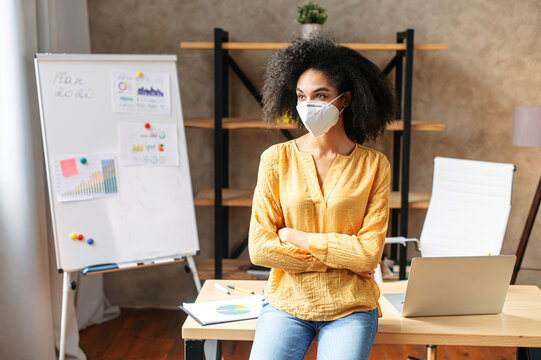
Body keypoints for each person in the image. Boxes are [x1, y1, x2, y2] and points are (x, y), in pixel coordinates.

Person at [247, 35, 395, 360]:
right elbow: (260, 249)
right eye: (301, 96)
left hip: (351, 307)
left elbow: (368, 256)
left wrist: (294, 236)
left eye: (320, 95)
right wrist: (344, 260)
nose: (308, 105)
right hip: (286, 301)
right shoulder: (276, 159)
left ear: (345, 100)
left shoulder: (374, 166)